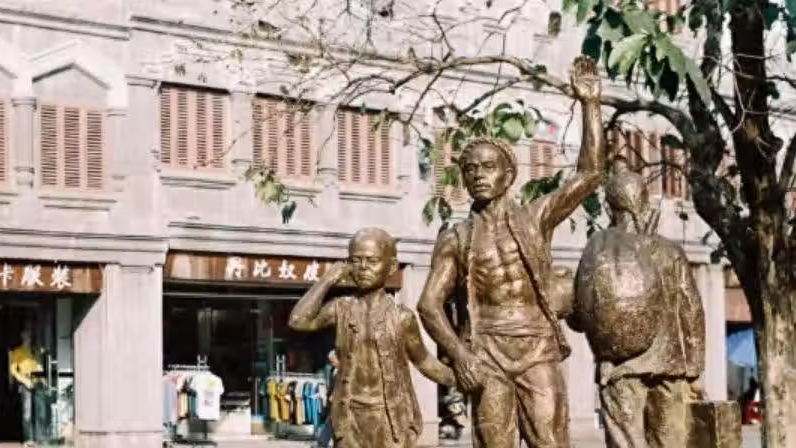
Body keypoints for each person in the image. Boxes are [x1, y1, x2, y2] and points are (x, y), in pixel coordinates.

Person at [416, 56, 605, 448]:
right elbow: (429, 305)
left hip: (537, 346)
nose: (478, 175)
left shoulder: (535, 218)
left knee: (550, 440)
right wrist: (460, 355)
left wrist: (590, 105)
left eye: (488, 167)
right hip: (485, 351)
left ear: (508, 175)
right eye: (470, 170)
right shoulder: (456, 237)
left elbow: (589, 174)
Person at [570, 162, 705, 447]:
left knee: (627, 442)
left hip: (619, 366)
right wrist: (694, 369)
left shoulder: (597, 247)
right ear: (645, 202)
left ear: (609, 208)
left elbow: (581, 311)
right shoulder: (670, 251)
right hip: (669, 366)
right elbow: (691, 309)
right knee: (671, 441)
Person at [289, 227, 455, 448]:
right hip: (349, 418)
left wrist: (459, 378)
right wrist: (327, 280)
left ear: (391, 267)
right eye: (355, 261)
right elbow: (298, 321)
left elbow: (424, 361)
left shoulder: (402, 318)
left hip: (391, 419)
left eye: (372, 261)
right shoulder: (341, 309)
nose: (363, 268)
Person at [9, 329, 49, 447]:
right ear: (22, 337)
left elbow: (38, 366)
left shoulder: (34, 351)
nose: (28, 339)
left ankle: (40, 438)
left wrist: (43, 379)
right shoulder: (17, 352)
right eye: (26, 336)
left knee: (41, 411)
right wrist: (24, 381)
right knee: (27, 413)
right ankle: (28, 439)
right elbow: (13, 370)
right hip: (25, 382)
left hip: (37, 381)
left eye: (30, 337)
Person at [314, 350, 338, 448]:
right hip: (331, 401)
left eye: (333, 360)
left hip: (337, 401)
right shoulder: (332, 370)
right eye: (330, 361)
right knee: (331, 422)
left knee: (331, 422)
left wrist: (335, 395)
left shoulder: (343, 371)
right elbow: (331, 386)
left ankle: (322, 442)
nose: (331, 363)